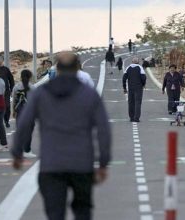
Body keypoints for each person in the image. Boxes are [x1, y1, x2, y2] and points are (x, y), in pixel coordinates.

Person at [11, 52, 111, 220]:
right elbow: (103, 129)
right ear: (77, 67)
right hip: (82, 164)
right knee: (83, 211)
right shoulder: (89, 94)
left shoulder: (41, 93)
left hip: (51, 165)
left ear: (57, 68)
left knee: (55, 213)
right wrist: (103, 162)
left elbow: (24, 123)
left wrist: (17, 153)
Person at [12, 69, 36, 158]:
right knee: (29, 132)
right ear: (30, 77)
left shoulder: (16, 87)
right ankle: (27, 150)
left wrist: (13, 111)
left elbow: (14, 100)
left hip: (19, 111)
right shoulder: (33, 87)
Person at [122, 57, 146, 122]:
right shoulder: (140, 67)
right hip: (138, 88)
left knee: (131, 102)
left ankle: (131, 117)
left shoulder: (128, 68)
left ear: (132, 62)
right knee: (138, 102)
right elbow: (143, 77)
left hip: (130, 88)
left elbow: (124, 78)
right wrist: (143, 84)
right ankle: (136, 118)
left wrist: (124, 88)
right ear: (138, 62)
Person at [0, 57, 14, 128]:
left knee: (7, 106)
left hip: (6, 92)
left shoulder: (6, 69)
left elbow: (11, 79)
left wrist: (12, 89)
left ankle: (6, 121)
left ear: (2, 62)